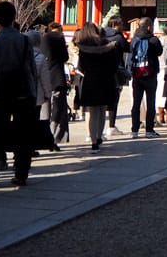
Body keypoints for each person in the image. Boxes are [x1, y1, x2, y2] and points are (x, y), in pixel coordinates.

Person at [0, 2, 38, 188]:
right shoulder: (24, 40)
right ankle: (21, 174)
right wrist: (33, 91)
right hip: (23, 92)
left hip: (2, 92)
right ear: (14, 18)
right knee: (24, 134)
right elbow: (31, 69)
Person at [72, 22, 120, 153]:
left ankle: (93, 141)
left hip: (90, 81)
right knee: (102, 109)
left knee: (92, 112)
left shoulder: (83, 48)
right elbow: (114, 66)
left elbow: (81, 67)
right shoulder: (107, 45)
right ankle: (99, 136)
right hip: (106, 80)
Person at [129, 17, 163, 138]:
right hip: (150, 73)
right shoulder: (153, 40)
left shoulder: (134, 39)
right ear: (149, 27)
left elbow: (130, 52)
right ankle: (149, 130)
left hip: (137, 73)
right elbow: (160, 52)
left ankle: (134, 130)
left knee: (136, 103)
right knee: (150, 101)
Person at [102, 15, 130, 137]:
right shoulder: (118, 37)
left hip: (102, 70)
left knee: (102, 100)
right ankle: (111, 126)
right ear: (115, 25)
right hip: (116, 70)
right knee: (114, 99)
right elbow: (127, 48)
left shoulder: (101, 36)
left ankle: (99, 128)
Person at [43, 22, 70, 144]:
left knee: (45, 110)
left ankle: (44, 136)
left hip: (45, 77)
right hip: (58, 77)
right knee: (58, 108)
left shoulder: (44, 38)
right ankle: (55, 136)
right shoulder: (60, 38)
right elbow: (65, 57)